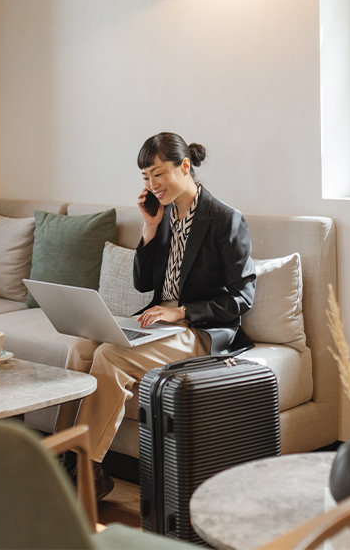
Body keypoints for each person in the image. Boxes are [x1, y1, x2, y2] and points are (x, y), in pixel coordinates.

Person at [61, 132, 256, 502]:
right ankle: (64, 455)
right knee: (81, 348)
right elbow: (141, 283)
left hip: (199, 330)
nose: (152, 185)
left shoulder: (225, 219)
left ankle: (83, 469)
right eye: (146, 178)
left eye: (158, 174)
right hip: (156, 324)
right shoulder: (163, 215)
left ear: (185, 166)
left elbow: (242, 298)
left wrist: (180, 311)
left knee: (110, 356)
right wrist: (149, 228)